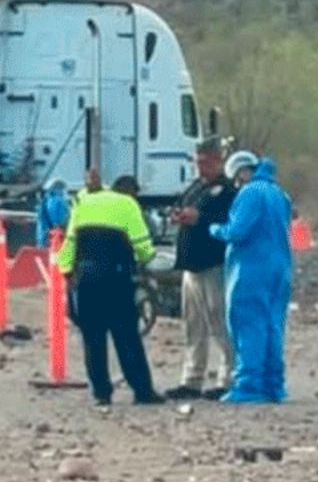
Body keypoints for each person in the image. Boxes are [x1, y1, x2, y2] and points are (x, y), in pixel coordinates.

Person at [57, 174, 164, 406]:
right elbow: (143, 247)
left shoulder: (84, 203)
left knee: (93, 338)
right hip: (115, 278)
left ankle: (101, 393)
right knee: (126, 336)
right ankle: (142, 391)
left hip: (86, 278)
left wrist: (68, 274)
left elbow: (69, 246)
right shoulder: (127, 204)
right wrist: (146, 259)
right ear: (130, 192)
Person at [209, 152, 293, 404]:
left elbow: (238, 231)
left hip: (251, 269)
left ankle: (249, 385)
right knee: (272, 325)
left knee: (248, 325)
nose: (236, 185)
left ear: (242, 172)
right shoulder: (280, 194)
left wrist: (215, 229)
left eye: (236, 179)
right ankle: (273, 385)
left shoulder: (250, 193)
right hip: (280, 267)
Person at [163, 138, 238, 401]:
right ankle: (192, 379)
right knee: (193, 326)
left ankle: (228, 378)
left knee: (219, 323)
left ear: (218, 160)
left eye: (206, 162)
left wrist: (201, 219)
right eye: (198, 162)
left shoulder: (228, 191)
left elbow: (230, 222)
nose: (201, 168)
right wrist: (178, 215)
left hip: (213, 264)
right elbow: (184, 208)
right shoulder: (196, 187)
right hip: (190, 265)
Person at [36, 178, 70, 247]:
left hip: (44, 237)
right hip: (54, 238)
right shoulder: (58, 200)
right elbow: (59, 220)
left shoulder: (46, 200)